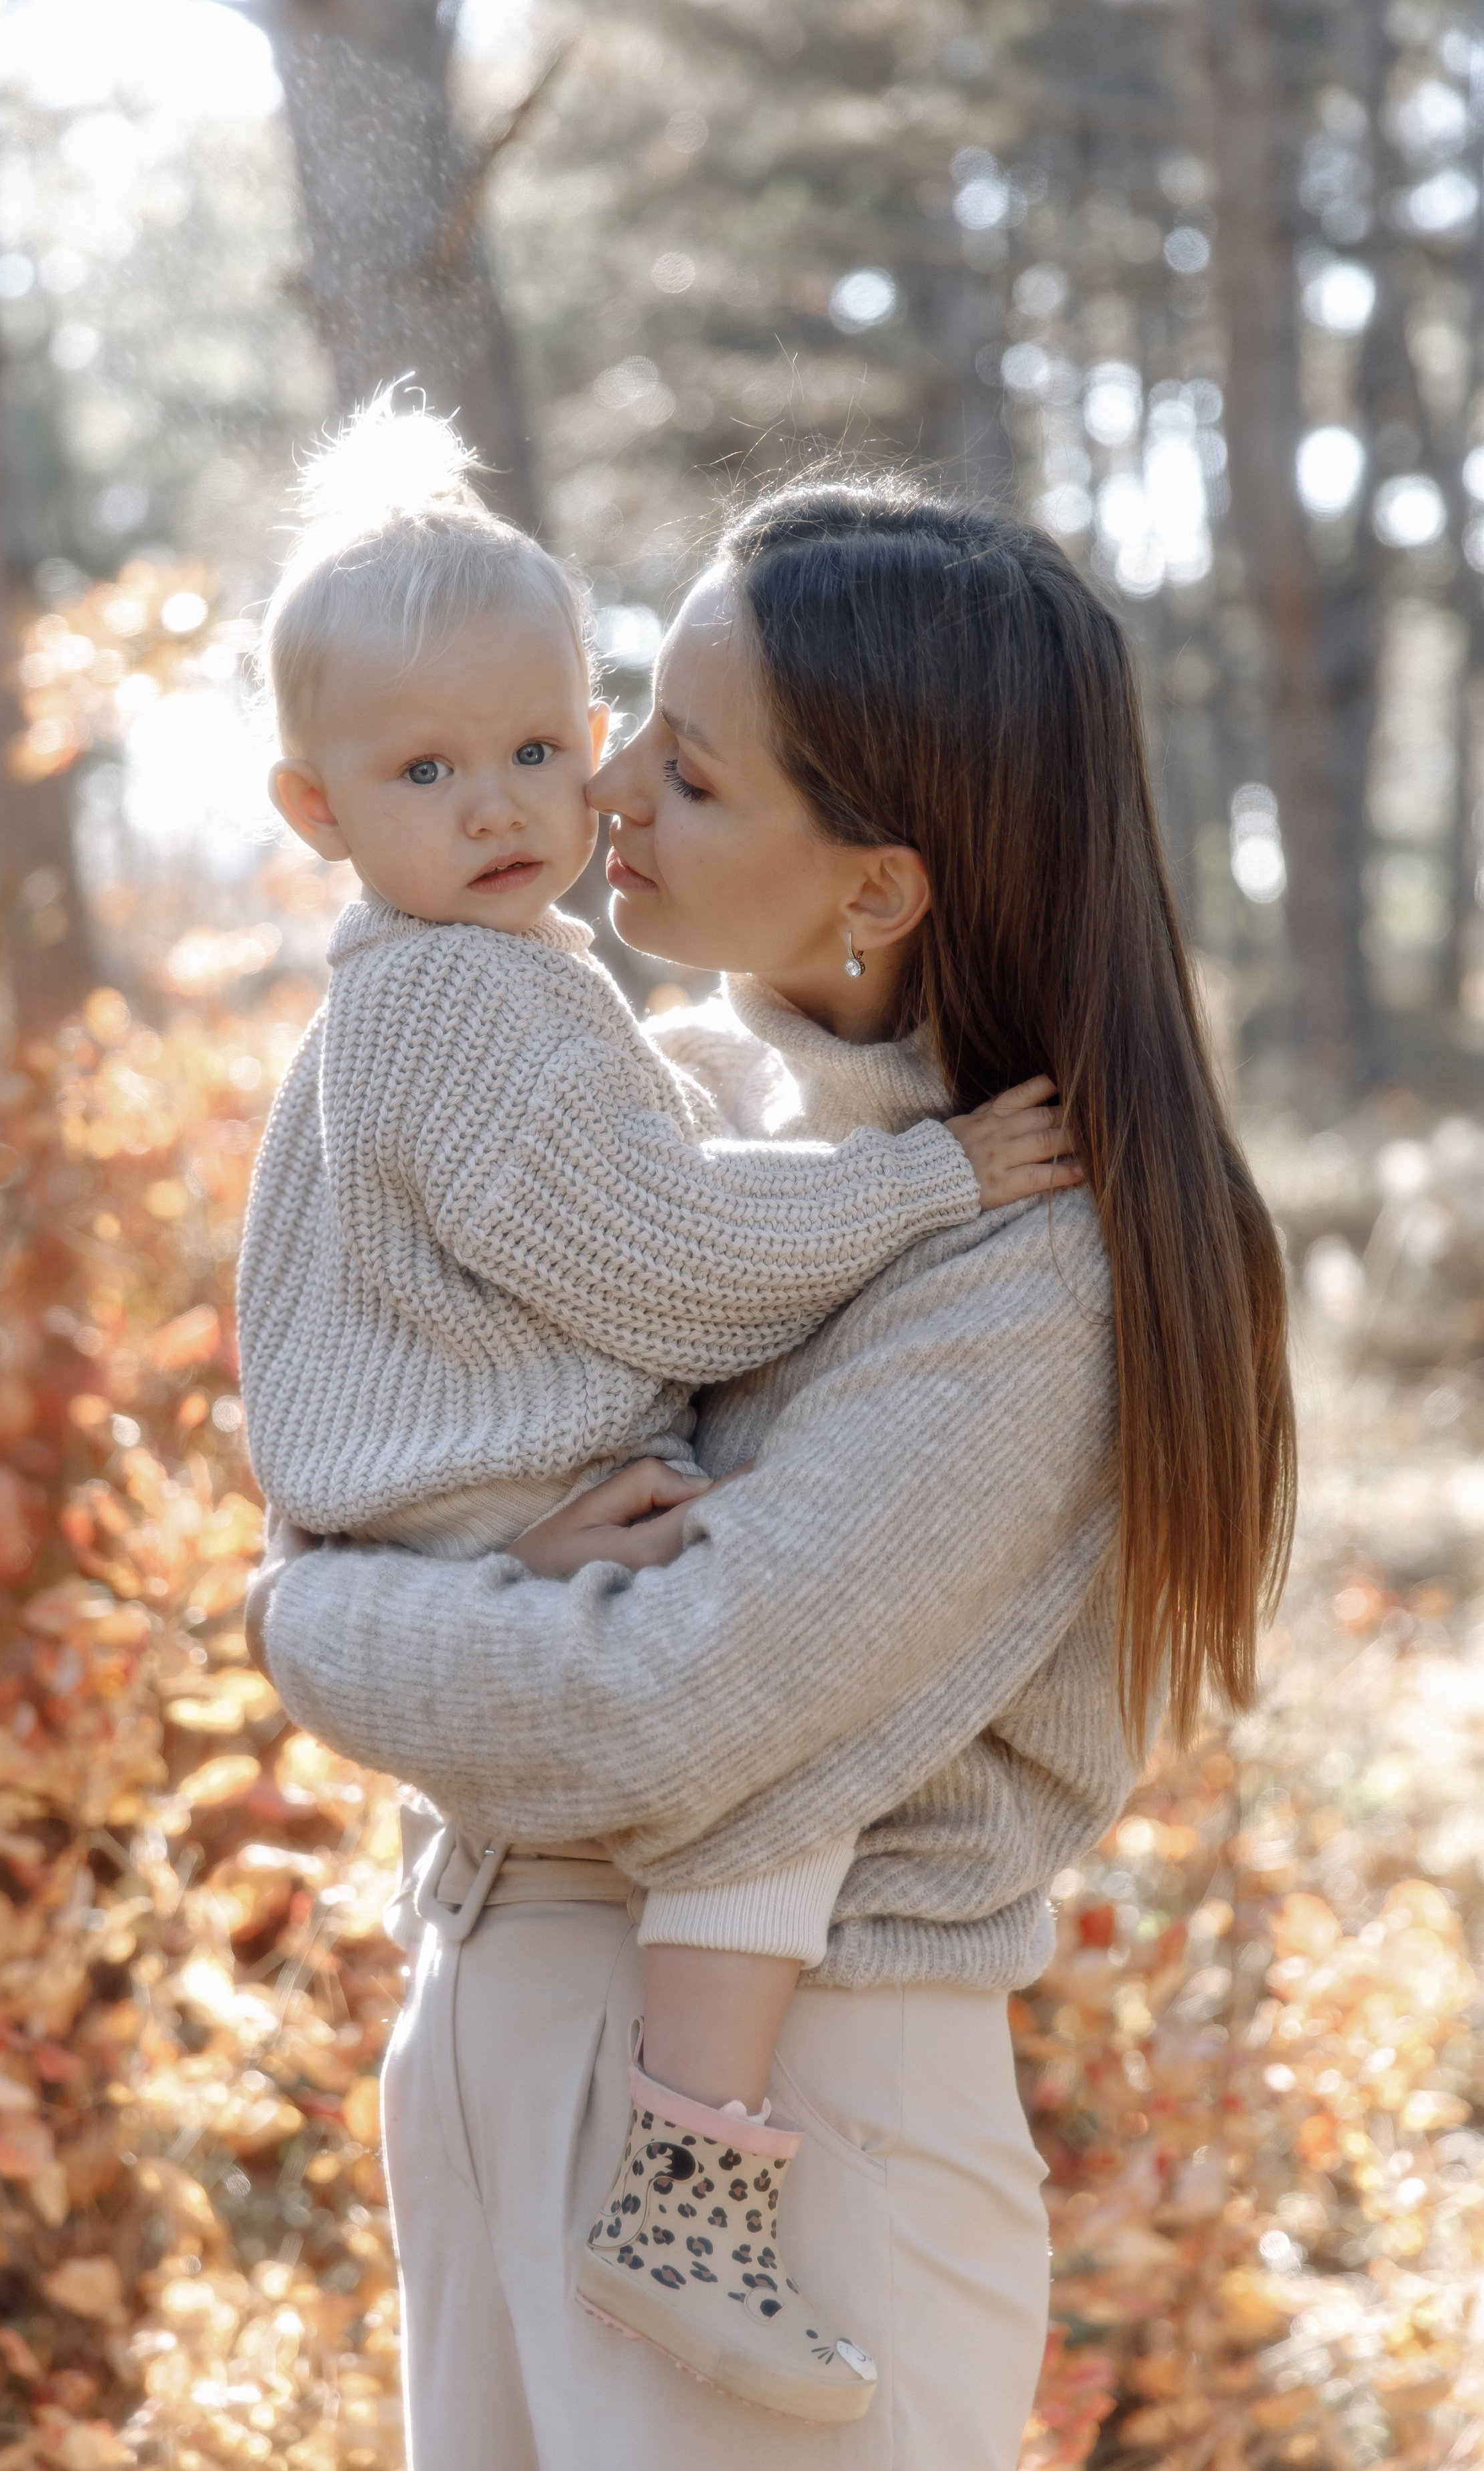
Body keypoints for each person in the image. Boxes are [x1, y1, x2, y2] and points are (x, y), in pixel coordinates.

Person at [247, 476, 1296, 2470]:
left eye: (691, 774)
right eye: (631, 717)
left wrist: (305, 1614)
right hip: (494, 2061)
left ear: (877, 887)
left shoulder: (1031, 1268)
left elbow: (665, 1714)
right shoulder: (670, 1112)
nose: (606, 784)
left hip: (789, 2146)